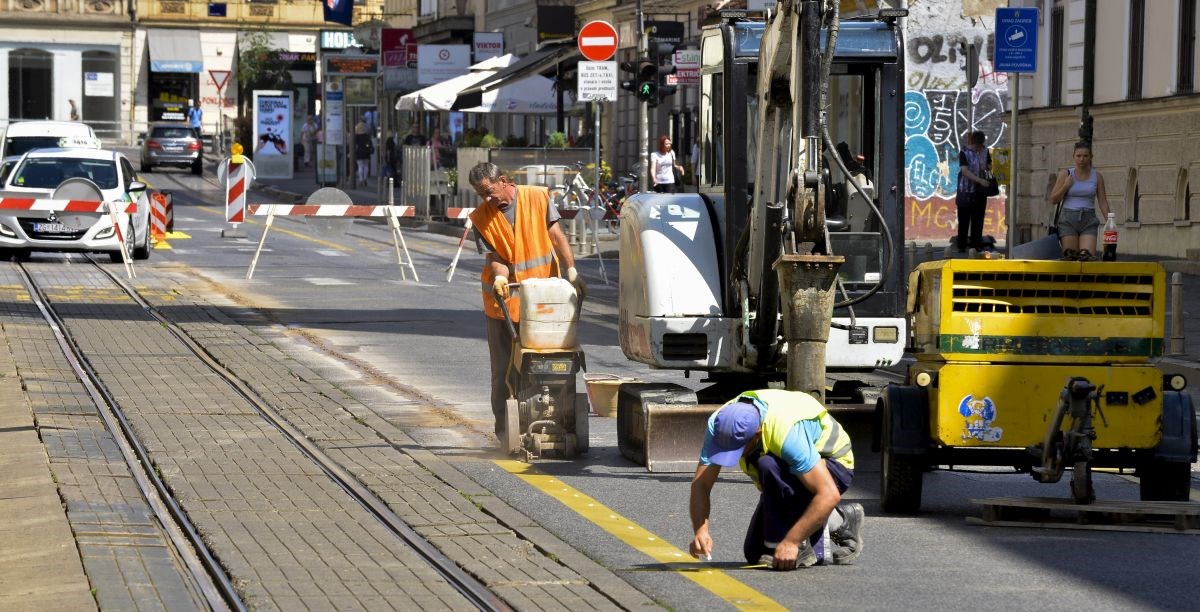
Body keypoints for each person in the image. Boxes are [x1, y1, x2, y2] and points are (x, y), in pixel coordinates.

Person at [467, 162, 587, 439]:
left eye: (489, 192)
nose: (486, 200)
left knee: (549, 363)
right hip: (503, 304)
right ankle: (506, 430)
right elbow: (496, 258)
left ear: (504, 180)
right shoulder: (481, 218)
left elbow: (557, 237)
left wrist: (571, 271)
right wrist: (499, 278)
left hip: (545, 301)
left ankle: (555, 419)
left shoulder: (536, 197)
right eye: (480, 194)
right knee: (503, 369)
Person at [688, 389, 864, 570]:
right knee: (755, 553)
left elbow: (828, 494)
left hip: (833, 465)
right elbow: (701, 484)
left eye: (738, 449)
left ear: (757, 434)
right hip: (792, 471)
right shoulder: (720, 424)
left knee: (768, 464)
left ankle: (803, 545)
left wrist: (792, 541)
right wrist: (701, 530)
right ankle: (842, 522)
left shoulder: (786, 433)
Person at [1048, 141, 1111, 261]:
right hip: (1068, 220)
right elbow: (1053, 199)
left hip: (1088, 219)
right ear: (1073, 157)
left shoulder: (1097, 176)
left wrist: (1110, 221)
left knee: (1087, 257)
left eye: (1085, 156)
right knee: (1070, 258)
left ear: (1091, 157)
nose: (1082, 159)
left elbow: (1102, 201)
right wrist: (1065, 186)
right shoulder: (1065, 174)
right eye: (1078, 156)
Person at [955, 130, 991, 253]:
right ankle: (962, 245)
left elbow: (989, 166)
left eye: (981, 146)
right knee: (964, 219)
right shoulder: (964, 153)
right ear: (974, 143)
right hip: (965, 190)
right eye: (977, 146)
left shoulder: (985, 152)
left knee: (978, 219)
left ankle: (976, 244)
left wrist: (986, 168)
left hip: (980, 192)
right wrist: (979, 180)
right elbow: (964, 171)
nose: (979, 148)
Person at [354, 117, 372, 188]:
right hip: (366, 152)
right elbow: (370, 144)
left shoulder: (356, 137)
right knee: (366, 166)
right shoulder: (367, 136)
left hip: (359, 152)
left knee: (360, 166)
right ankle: (365, 179)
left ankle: (361, 180)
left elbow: (354, 145)